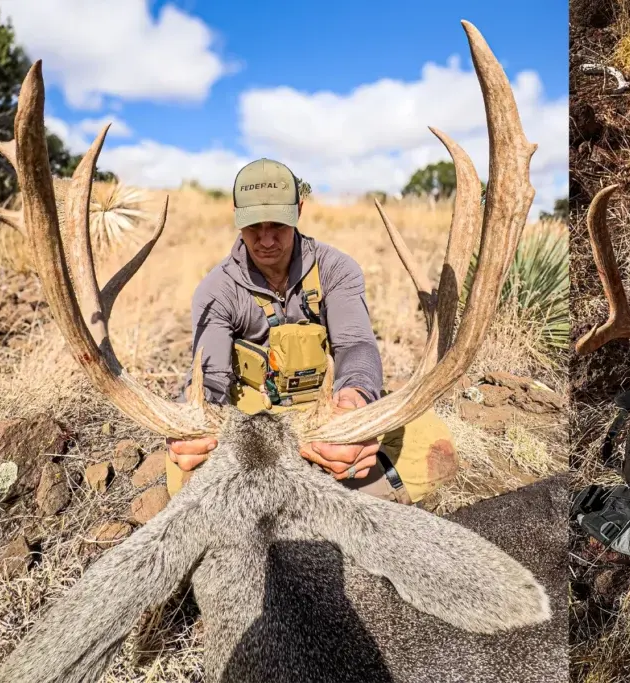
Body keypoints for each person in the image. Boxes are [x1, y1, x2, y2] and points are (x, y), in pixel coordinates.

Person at [165, 158, 459, 505]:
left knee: (435, 448)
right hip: (254, 419)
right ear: (235, 215)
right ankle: (343, 500)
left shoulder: (337, 269)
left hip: (326, 408)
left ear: (299, 210)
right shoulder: (216, 289)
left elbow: (356, 344)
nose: (266, 240)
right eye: (253, 227)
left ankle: (279, 501)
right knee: (183, 474)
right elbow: (210, 374)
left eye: (279, 225)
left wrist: (355, 401)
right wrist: (195, 419)